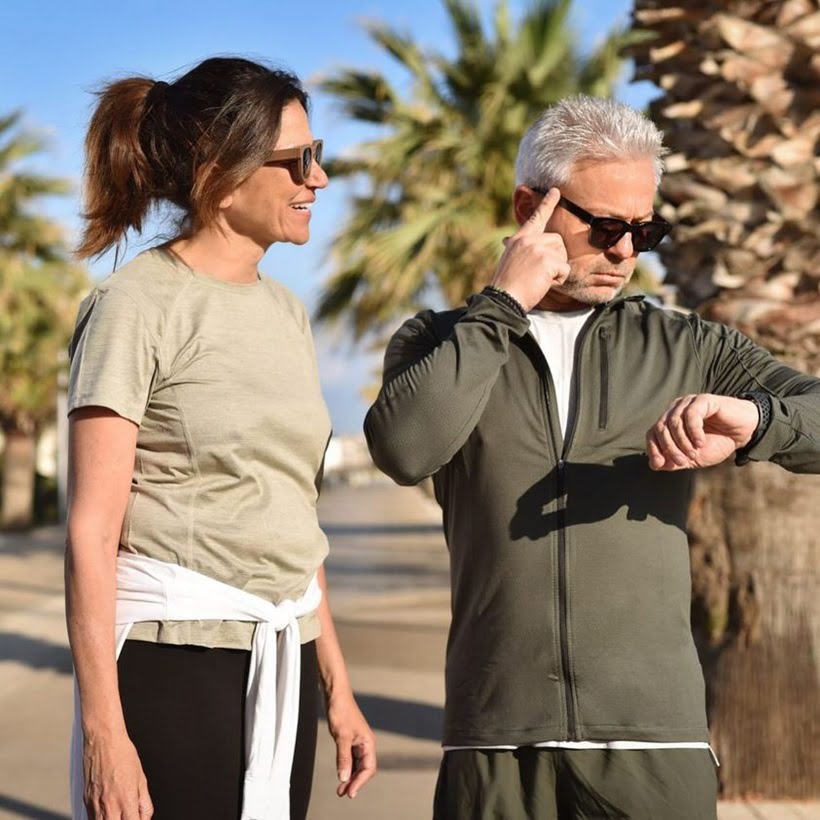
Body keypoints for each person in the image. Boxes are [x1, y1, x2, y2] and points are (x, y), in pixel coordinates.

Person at [363, 95, 820, 819]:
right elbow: (404, 448)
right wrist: (502, 303)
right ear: (529, 208)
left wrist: (755, 418)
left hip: (655, 742)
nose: (626, 253)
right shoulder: (440, 342)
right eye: (606, 227)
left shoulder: (690, 348)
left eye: (646, 230)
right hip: (494, 739)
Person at [66, 56, 376, 820]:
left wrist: (337, 688)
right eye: (298, 161)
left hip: (287, 657)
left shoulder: (285, 312)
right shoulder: (136, 305)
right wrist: (105, 731)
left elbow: (291, 516)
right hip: (175, 659)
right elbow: (91, 530)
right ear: (221, 175)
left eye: (319, 154)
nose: (319, 180)